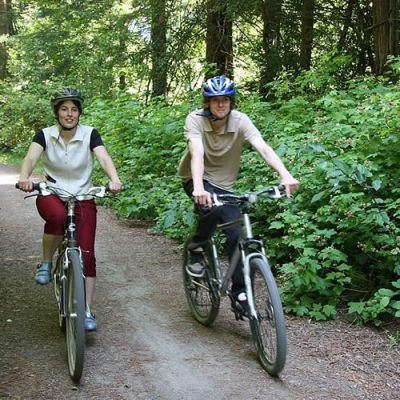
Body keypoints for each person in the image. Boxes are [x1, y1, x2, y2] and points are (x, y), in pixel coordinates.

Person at [178, 75, 299, 309]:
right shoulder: (195, 120)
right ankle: (197, 247)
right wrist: (199, 187)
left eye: (225, 99)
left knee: (236, 235)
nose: (221, 104)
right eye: (215, 100)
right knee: (209, 207)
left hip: (225, 185)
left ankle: (241, 295)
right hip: (196, 178)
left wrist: (285, 175)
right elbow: (197, 152)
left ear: (231, 102)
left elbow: (262, 147)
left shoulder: (241, 121)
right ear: (207, 103)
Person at [17, 87, 122, 331]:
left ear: (79, 113)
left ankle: (86, 311)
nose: (69, 114)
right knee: (57, 216)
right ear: (57, 112)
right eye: (64, 109)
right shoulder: (44, 134)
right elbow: (31, 158)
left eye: (74, 109)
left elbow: (103, 158)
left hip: (83, 195)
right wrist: (24, 177)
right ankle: (45, 262)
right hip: (52, 192)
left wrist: (114, 180)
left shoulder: (90, 134)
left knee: (87, 254)